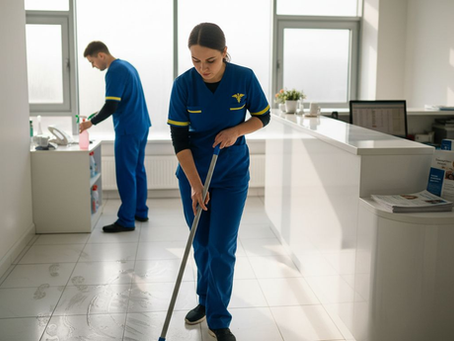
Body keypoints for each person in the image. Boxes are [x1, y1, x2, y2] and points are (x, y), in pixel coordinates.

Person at [167, 23, 270, 341]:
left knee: (221, 246)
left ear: (225, 53)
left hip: (231, 174)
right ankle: (204, 300)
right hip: (193, 173)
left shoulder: (244, 77)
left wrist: (236, 131)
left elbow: (263, 116)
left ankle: (218, 318)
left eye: (210, 60)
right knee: (201, 244)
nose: (202, 68)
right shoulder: (184, 85)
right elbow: (179, 138)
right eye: (196, 61)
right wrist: (196, 185)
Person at [80, 41, 151, 233]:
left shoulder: (114, 71)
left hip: (128, 129)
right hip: (141, 125)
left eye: (92, 61)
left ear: (101, 55)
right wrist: (98, 113)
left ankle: (126, 220)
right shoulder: (127, 66)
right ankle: (140, 211)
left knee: (126, 173)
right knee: (137, 170)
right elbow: (120, 101)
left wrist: (90, 123)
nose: (93, 66)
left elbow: (111, 106)